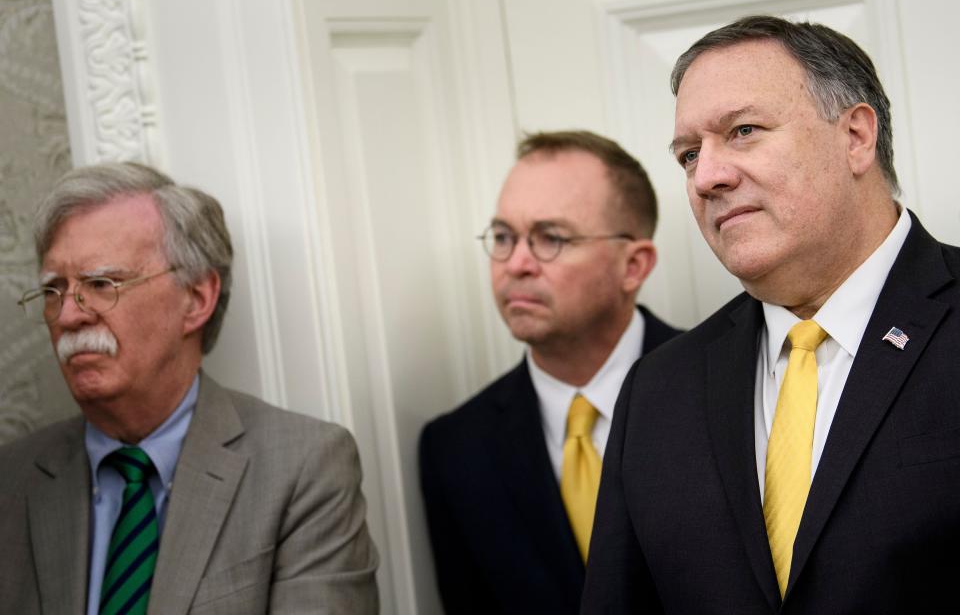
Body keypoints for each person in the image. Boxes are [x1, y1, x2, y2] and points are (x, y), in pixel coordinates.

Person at [582, 15, 960, 613]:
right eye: (688, 155)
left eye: (744, 130)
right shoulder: (658, 390)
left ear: (856, 136)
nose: (707, 176)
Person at [0, 162, 379, 614]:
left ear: (197, 299)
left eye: (101, 284)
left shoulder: (303, 469)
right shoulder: (12, 481)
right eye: (54, 291)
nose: (68, 316)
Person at [420, 130, 681, 614]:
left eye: (551, 238)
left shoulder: (726, 389)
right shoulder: (455, 448)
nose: (516, 264)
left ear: (634, 266)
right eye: (503, 237)